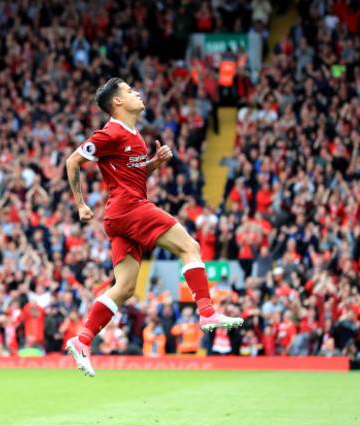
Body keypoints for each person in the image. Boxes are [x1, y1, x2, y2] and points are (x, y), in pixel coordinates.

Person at [65, 78, 243, 377]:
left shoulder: (135, 135)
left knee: (124, 288)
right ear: (117, 102)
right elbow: (72, 162)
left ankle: (82, 340)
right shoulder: (110, 132)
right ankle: (207, 312)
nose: (137, 93)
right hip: (129, 207)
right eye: (130, 91)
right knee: (190, 247)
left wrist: (152, 165)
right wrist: (81, 205)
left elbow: (128, 173)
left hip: (119, 215)